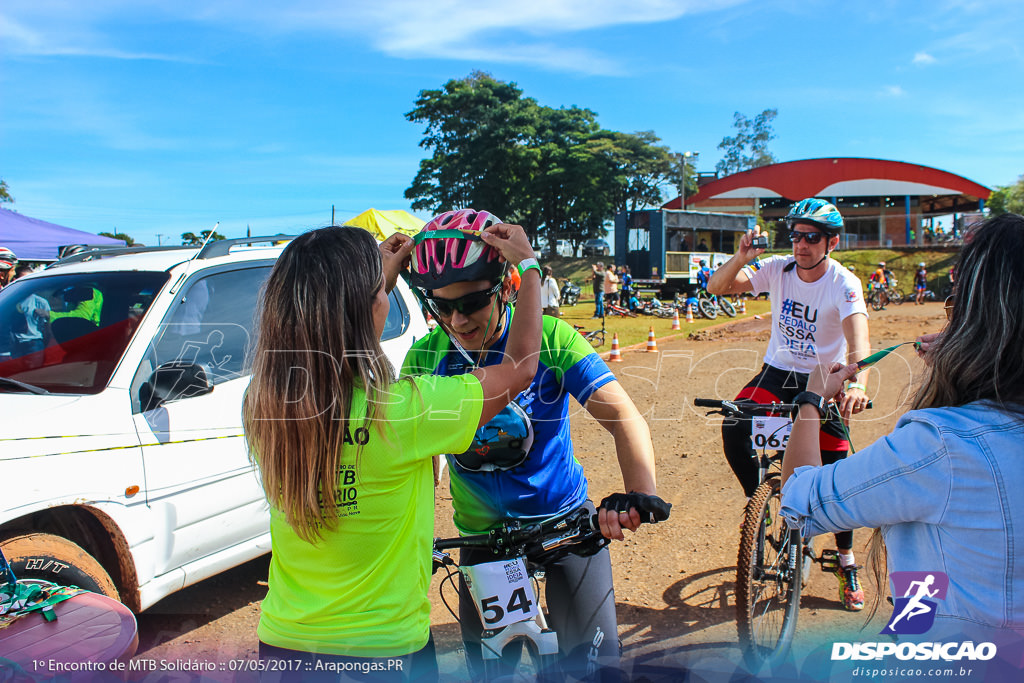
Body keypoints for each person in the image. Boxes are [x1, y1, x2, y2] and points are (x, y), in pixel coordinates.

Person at [243, 224, 543, 680]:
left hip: (285, 642)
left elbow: (334, 347)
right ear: (369, 308)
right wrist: (529, 267)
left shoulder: (265, 404)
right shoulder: (406, 412)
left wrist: (370, 286)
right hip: (383, 649)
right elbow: (520, 368)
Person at [403, 209, 670, 681]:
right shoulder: (426, 356)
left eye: (471, 302)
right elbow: (408, 453)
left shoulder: (550, 337)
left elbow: (624, 418)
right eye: (441, 307)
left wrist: (638, 489)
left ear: (506, 286)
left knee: (595, 669)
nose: (457, 319)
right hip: (483, 540)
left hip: (565, 526)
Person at [780, 212, 1024, 650]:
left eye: (956, 309)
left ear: (979, 324)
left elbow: (801, 500)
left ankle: (847, 563)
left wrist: (813, 398)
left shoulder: (939, 446)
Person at [707, 197, 872, 612]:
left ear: (831, 242)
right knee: (734, 423)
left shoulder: (843, 283)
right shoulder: (778, 267)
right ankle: (757, 505)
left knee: (833, 473)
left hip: (823, 377)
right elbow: (717, 288)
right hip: (777, 373)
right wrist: (741, 256)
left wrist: (857, 385)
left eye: (812, 237)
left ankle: (846, 560)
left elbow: (860, 345)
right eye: (796, 235)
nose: (801, 244)